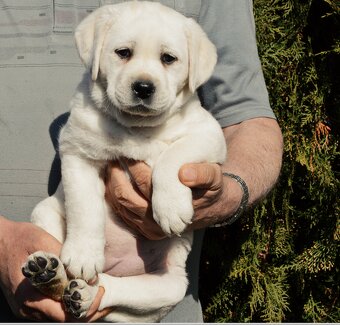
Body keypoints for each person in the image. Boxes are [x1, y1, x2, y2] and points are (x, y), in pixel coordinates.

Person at [0, 0, 283, 322]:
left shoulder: (191, 119)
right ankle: (61, 284)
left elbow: (232, 129)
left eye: (168, 59)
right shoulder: (87, 114)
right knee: (47, 213)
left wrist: (206, 188)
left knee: (171, 285)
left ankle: (101, 293)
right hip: (43, 268)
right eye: (123, 53)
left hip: (151, 271)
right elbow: (78, 160)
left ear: (193, 68)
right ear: (95, 54)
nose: (144, 79)